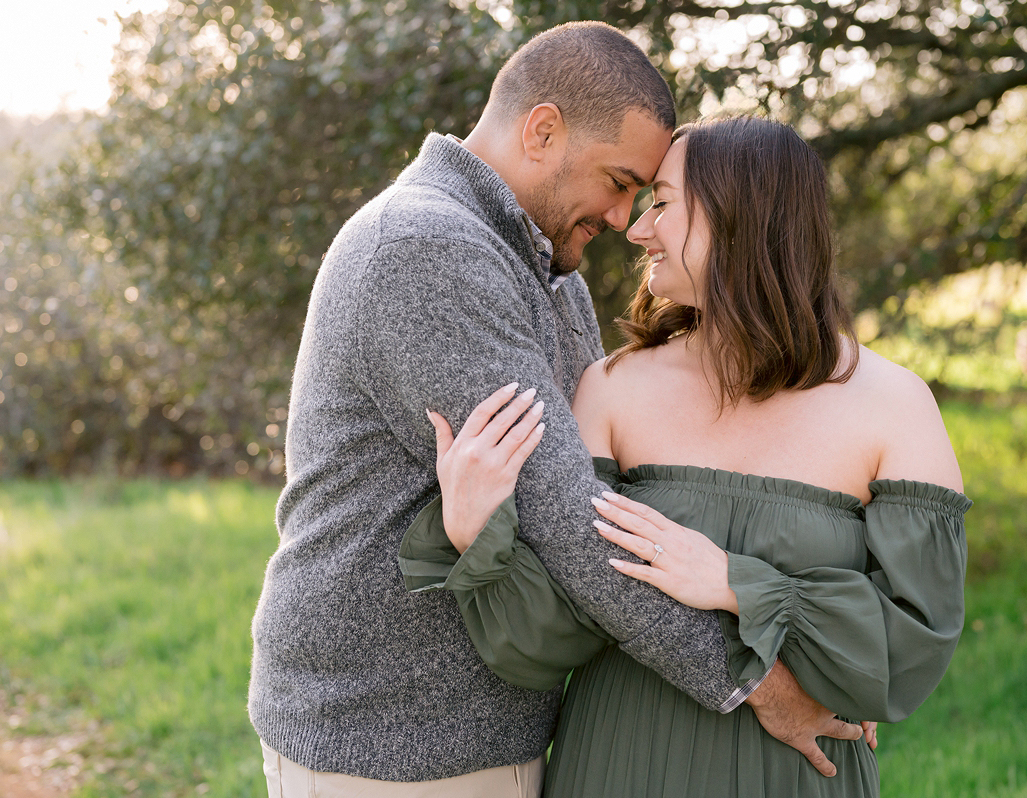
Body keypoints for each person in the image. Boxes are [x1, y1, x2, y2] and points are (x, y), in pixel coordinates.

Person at [249, 24, 860, 798]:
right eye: (618, 180)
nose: (623, 218)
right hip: (390, 736)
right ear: (542, 131)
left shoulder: (544, 266)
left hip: (477, 726)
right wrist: (761, 682)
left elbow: (611, 473)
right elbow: (572, 518)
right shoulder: (424, 248)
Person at [404, 116, 972, 797]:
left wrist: (737, 583)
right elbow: (552, 637)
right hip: (617, 764)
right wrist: (476, 535)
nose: (637, 229)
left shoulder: (895, 404)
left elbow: (908, 652)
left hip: (792, 776)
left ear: (744, 220)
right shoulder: (614, 387)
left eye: (663, 203)